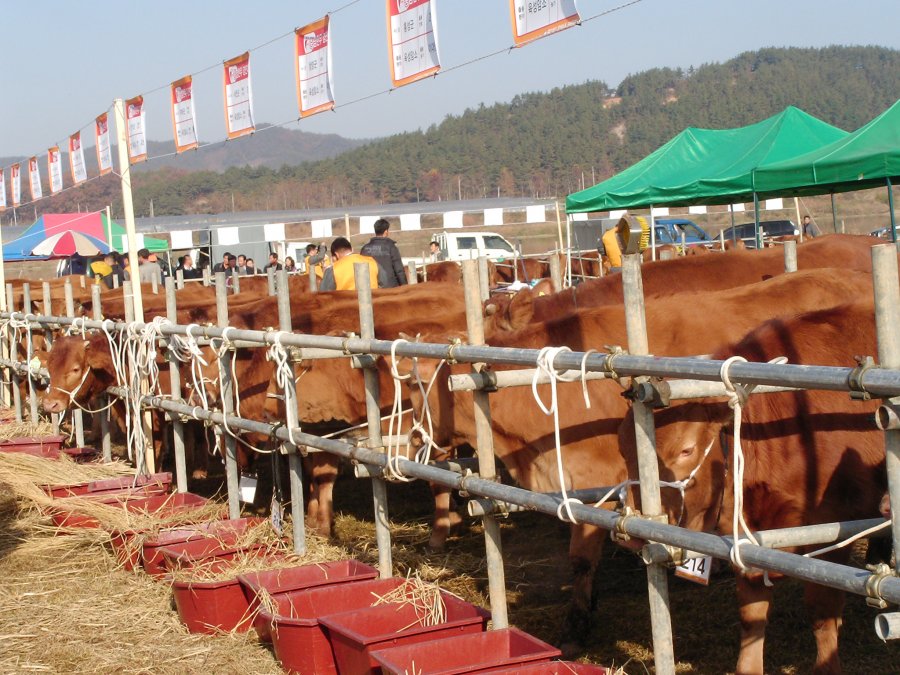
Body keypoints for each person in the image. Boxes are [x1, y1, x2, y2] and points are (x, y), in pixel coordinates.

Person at [360, 218, 406, 287]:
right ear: (386, 231)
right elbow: (399, 270)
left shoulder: (365, 249)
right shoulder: (391, 247)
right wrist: (405, 286)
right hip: (390, 287)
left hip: (371, 287)